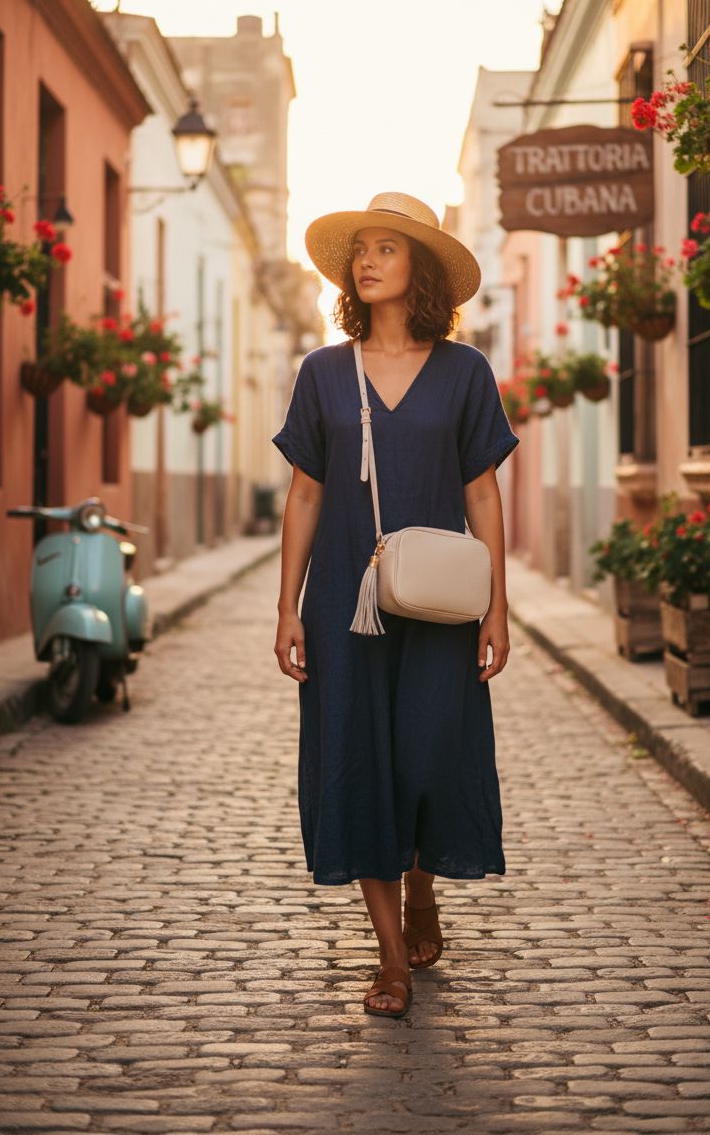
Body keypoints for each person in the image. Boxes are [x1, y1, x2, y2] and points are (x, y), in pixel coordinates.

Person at [272, 192, 518, 1018]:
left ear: (420, 270)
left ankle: (423, 885)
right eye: (361, 250)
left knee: (424, 758)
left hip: (439, 604)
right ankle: (388, 961)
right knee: (356, 764)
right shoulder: (321, 373)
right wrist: (287, 606)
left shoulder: (465, 372)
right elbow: (305, 495)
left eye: (388, 248)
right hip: (344, 600)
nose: (368, 260)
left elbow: (482, 494)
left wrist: (499, 608)